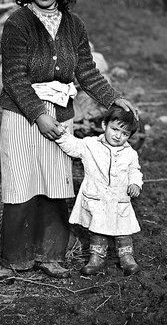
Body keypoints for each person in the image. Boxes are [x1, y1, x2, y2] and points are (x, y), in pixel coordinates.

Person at [0, 0, 138, 280]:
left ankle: (49, 256)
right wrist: (38, 116)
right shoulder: (18, 24)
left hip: (61, 114)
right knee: (21, 183)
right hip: (22, 113)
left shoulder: (74, 25)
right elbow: (14, 78)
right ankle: (12, 260)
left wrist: (114, 98)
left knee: (55, 182)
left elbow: (86, 71)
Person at [56, 105, 143, 276]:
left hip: (119, 198)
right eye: (115, 129)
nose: (118, 136)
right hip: (97, 196)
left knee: (123, 229)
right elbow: (73, 146)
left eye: (125, 134)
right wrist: (62, 135)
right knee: (97, 227)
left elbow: (135, 170)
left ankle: (127, 258)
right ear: (104, 125)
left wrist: (135, 183)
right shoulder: (91, 145)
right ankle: (96, 258)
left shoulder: (130, 154)